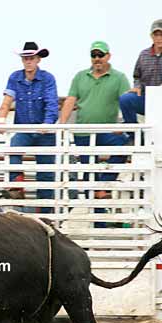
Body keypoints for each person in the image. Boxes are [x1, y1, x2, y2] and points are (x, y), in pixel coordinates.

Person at [59, 41, 130, 228]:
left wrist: (123, 125)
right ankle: (100, 223)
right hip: (83, 131)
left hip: (108, 130)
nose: (97, 59)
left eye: (101, 55)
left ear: (108, 56)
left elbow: (126, 101)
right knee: (91, 175)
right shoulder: (80, 77)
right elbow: (70, 100)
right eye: (94, 55)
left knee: (123, 149)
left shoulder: (119, 77)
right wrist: (61, 125)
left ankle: (102, 189)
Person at [0, 42, 59, 213]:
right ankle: (17, 189)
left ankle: (46, 214)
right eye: (26, 58)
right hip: (24, 129)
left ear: (38, 59)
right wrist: (2, 117)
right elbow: (7, 100)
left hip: (44, 131)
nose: (28, 61)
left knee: (46, 174)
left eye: (31, 58)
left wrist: (47, 123)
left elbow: (51, 103)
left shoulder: (47, 78)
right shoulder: (15, 77)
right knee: (12, 152)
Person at [119, 19, 162, 128]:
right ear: (151, 36)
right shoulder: (144, 54)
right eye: (156, 35)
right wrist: (137, 87)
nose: (159, 38)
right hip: (147, 100)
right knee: (125, 99)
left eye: (161, 35)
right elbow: (137, 75)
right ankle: (134, 136)